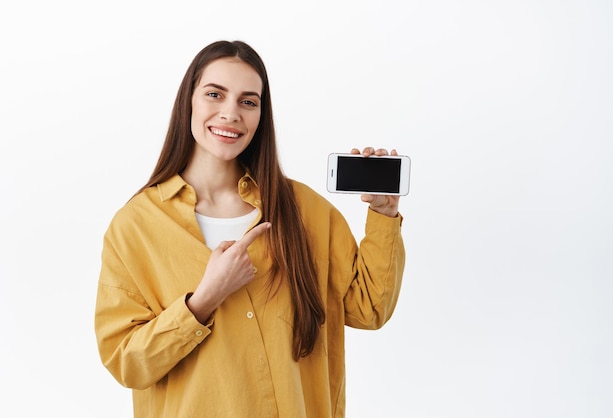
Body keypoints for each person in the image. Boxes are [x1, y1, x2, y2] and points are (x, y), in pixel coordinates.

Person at [94, 40, 405, 418]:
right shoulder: (136, 226)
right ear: (188, 102)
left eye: (248, 101)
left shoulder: (305, 211)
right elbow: (126, 362)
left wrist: (385, 216)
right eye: (214, 94)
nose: (230, 114)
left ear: (261, 115)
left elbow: (369, 308)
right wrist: (203, 301)